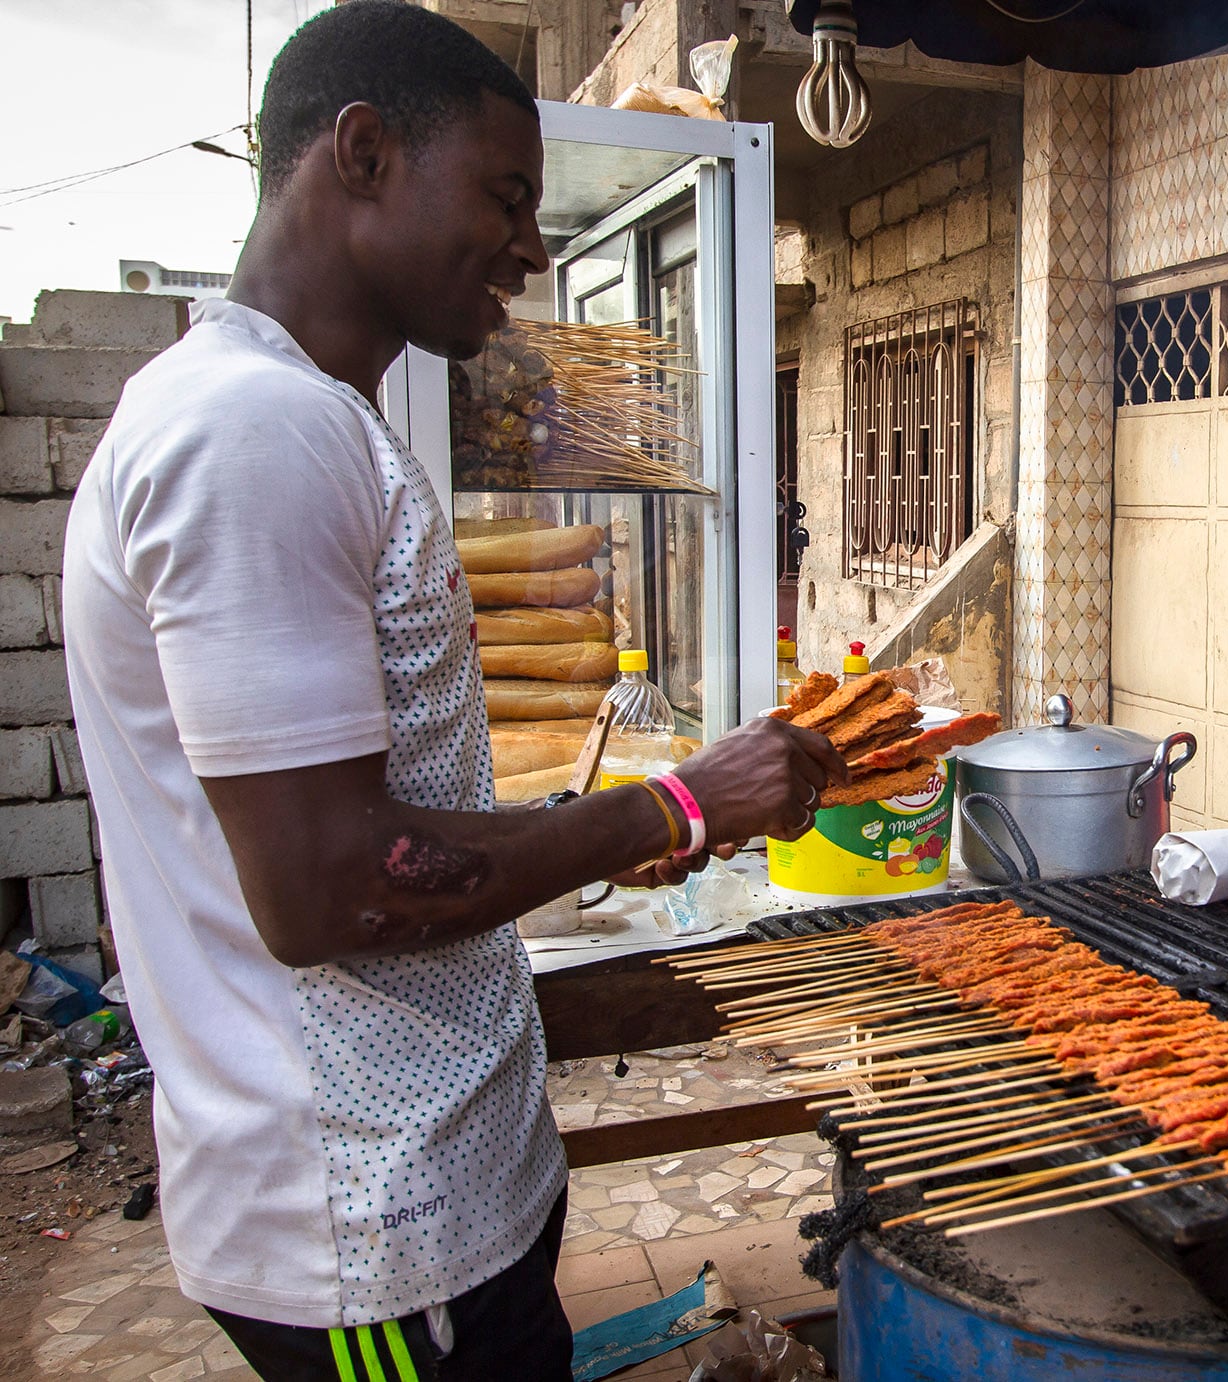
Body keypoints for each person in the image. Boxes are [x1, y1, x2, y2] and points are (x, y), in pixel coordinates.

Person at [61, 5, 845, 1378]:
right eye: (504, 196)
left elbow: (361, 807)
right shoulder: (256, 430)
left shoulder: (291, 413)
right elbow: (330, 888)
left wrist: (603, 817)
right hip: (371, 1230)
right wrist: (672, 803)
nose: (534, 250)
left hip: (429, 1197)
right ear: (361, 152)